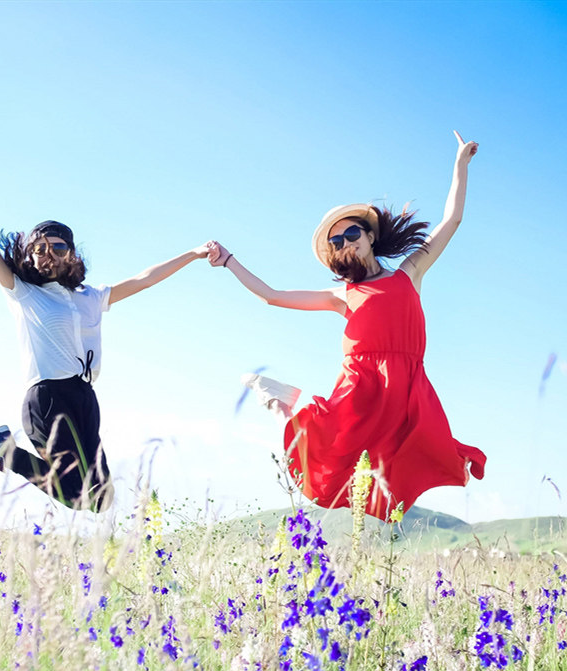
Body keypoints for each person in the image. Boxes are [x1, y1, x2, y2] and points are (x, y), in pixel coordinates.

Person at [208, 132, 486, 520]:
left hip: (406, 383)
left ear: (370, 237)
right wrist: (228, 261)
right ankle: (277, 400)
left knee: (421, 453)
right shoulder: (342, 296)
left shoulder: (409, 273)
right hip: (362, 383)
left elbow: (451, 220)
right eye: (337, 241)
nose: (345, 243)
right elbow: (271, 295)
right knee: (323, 457)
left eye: (351, 234)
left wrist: (460, 165)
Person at [0, 169, 211, 511]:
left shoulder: (91, 296)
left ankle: (4, 451)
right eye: (39, 248)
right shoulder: (23, 293)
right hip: (47, 399)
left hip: (84, 397)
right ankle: (4, 452)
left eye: (58, 247)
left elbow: (145, 279)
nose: (48, 254)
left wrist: (193, 254)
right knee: (76, 495)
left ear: (71, 253)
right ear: (29, 255)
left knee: (100, 498)